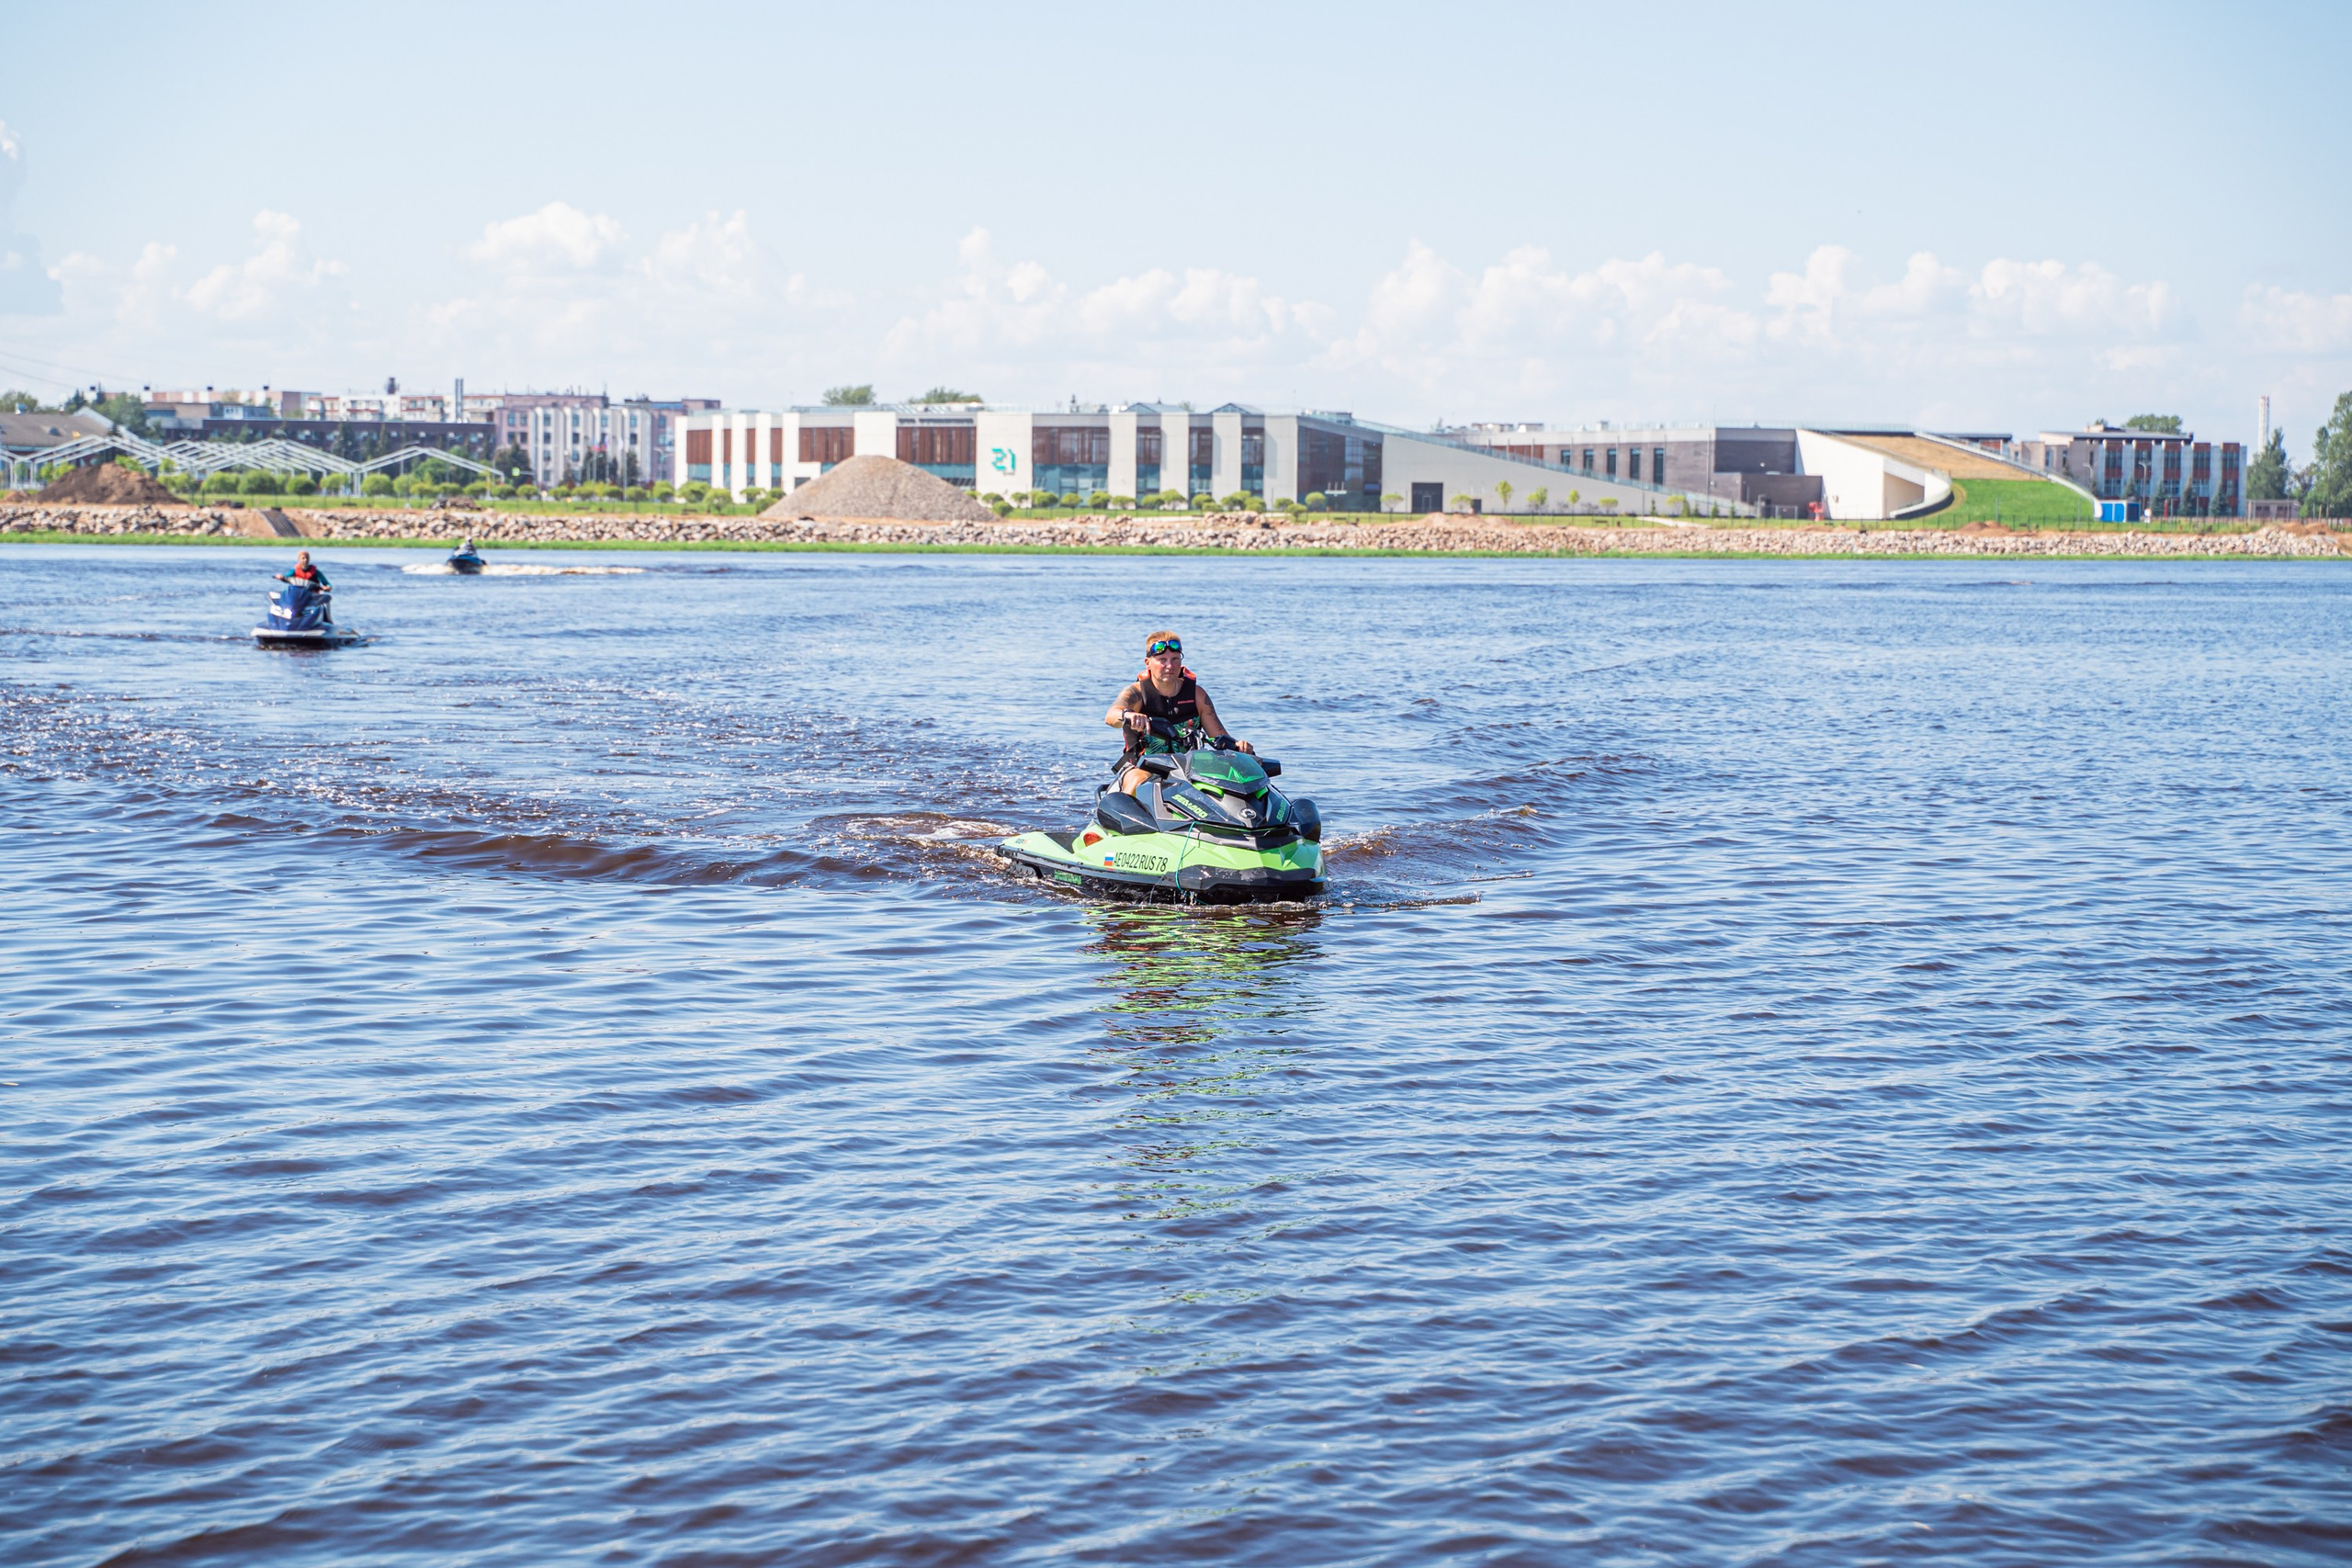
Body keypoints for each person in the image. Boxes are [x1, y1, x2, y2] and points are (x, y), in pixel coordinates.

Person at [1104, 630, 1252, 795]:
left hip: (1189, 769)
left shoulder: (1197, 695)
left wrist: (1240, 747)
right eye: (1162, 660)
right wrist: (1128, 715)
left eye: (1175, 659)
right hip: (1141, 767)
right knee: (1137, 781)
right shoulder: (1136, 694)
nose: (1170, 666)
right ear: (1148, 663)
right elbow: (1111, 716)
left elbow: (1220, 738)